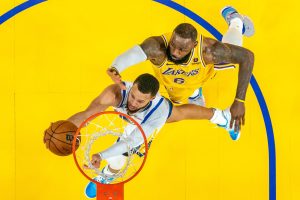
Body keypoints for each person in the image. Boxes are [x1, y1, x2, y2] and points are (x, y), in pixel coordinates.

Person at [67, 73, 240, 198]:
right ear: (131, 86)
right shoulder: (115, 93)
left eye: (140, 101)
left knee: (178, 114)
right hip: (134, 119)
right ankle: (196, 93)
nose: (133, 103)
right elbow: (87, 114)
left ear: (151, 99)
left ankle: (224, 117)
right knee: (179, 111)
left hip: (145, 122)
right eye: (133, 96)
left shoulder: (159, 112)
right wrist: (64, 126)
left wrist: (101, 155)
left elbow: (130, 142)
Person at [106, 6, 255, 133]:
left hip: (202, 74)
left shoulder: (208, 51)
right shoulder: (157, 47)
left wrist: (239, 100)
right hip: (175, 83)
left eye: (182, 49)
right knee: (178, 98)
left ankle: (236, 22)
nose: (175, 52)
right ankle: (195, 93)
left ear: (194, 45)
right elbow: (134, 54)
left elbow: (247, 57)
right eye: (173, 45)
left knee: (229, 58)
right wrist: (116, 67)